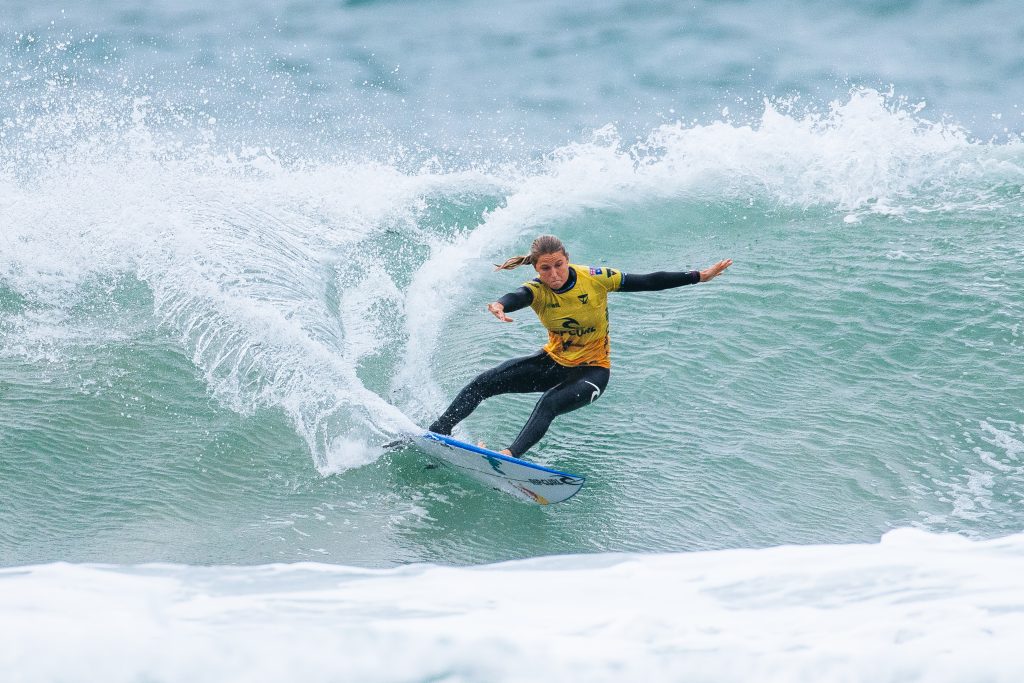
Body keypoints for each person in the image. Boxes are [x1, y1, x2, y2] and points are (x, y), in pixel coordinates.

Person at [428, 235, 732, 457]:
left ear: (567, 259)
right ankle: (438, 432)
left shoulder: (595, 278)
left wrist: (698, 277)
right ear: (536, 269)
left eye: (559, 265)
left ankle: (509, 456)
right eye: (545, 269)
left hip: (592, 371)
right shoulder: (537, 290)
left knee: (549, 403)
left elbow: (647, 281)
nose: (554, 274)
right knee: (483, 383)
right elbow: (517, 297)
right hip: (553, 363)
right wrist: (499, 305)